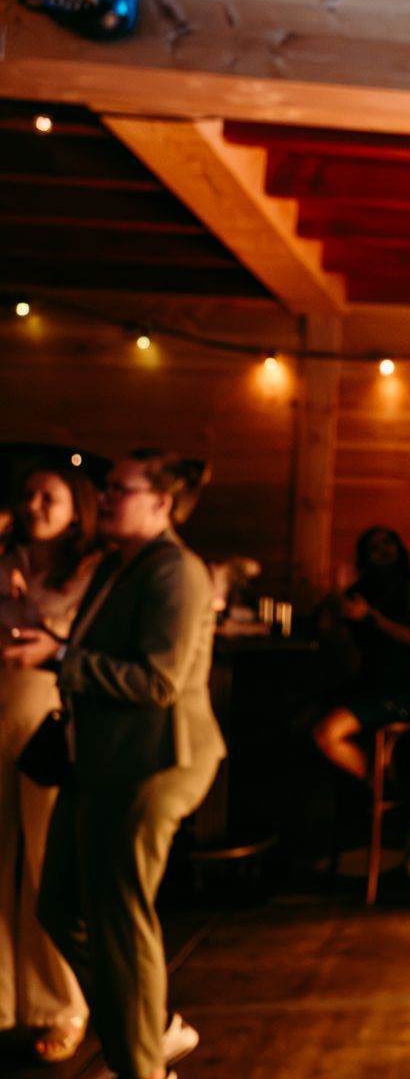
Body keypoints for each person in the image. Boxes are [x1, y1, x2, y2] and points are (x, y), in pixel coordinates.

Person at [5, 451, 222, 1079]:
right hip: (97, 758)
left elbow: (159, 682)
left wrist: (58, 658)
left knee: (121, 923)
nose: (103, 496)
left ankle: (142, 1066)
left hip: (154, 761)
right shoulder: (117, 565)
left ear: (162, 503)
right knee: (59, 908)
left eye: (119, 489)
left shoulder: (176, 570)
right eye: (105, 488)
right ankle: (150, 1032)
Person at [0, 469, 98, 1064]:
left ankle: (63, 1003)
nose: (34, 505)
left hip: (46, 714)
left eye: (49, 498)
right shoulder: (6, 557)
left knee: (46, 861)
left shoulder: (91, 571)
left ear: (77, 510)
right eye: (28, 495)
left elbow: (86, 645)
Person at [311, 526, 410, 782]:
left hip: (405, 687)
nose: (382, 550)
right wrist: (336, 592)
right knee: (301, 719)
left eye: (388, 543)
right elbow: (325, 629)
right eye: (373, 547)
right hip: (369, 682)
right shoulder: (360, 590)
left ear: (399, 548)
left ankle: (380, 786)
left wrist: (372, 617)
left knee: (326, 733)